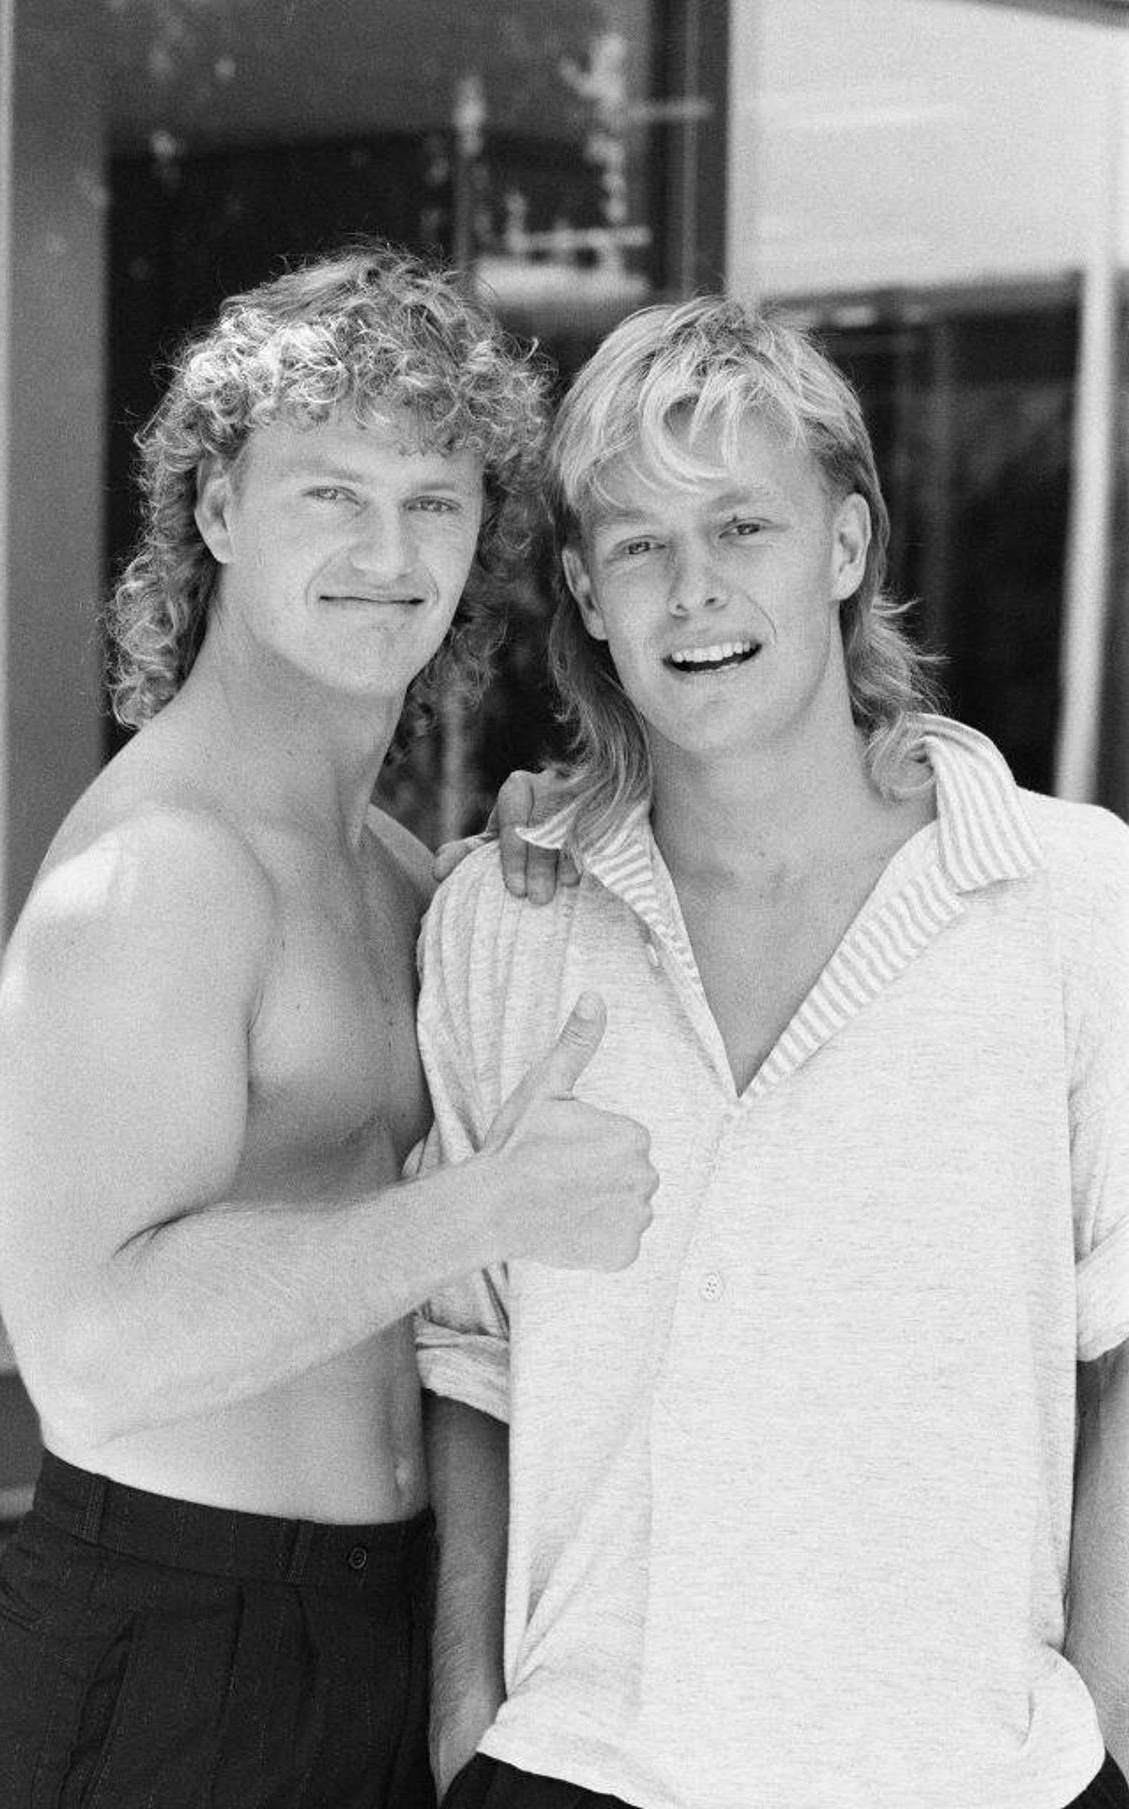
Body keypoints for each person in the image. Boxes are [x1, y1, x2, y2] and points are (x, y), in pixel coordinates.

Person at [0, 245, 657, 1809]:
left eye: (435, 501)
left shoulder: (399, 874)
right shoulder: (157, 877)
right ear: (213, 509)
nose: (387, 551)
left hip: (372, 1645)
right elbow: (95, 1357)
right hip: (161, 1664)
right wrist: (481, 1205)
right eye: (330, 493)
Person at [416, 296, 1129, 1809]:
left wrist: (1102, 1719)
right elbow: (465, 1356)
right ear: (585, 594)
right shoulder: (509, 921)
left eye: (743, 527)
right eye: (639, 545)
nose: (694, 593)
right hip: (580, 1767)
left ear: (849, 546)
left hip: (975, 1776)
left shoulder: (1070, 902)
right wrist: (466, 1720)